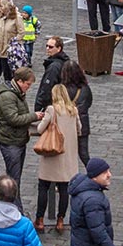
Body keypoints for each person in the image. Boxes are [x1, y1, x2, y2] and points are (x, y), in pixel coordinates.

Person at [33, 84, 82, 233]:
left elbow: (40, 129)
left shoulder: (51, 110)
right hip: (68, 156)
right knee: (64, 189)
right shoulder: (73, 110)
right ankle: (61, 220)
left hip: (52, 154)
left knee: (44, 186)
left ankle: (40, 219)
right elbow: (79, 129)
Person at [0, 67, 35, 187]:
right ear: (20, 81)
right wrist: (34, 116)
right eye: (27, 84)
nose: (29, 87)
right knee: (13, 181)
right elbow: (14, 119)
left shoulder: (18, 93)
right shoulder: (8, 96)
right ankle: (14, 204)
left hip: (18, 140)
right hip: (11, 142)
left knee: (16, 178)